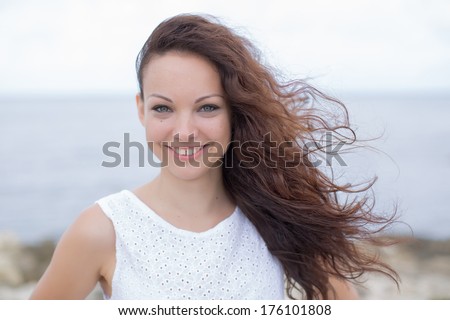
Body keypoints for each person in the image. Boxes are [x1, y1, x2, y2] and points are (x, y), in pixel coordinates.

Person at [30, 13, 397, 300]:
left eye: (206, 108)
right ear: (141, 109)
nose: (185, 131)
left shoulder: (277, 213)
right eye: (163, 108)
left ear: (235, 112)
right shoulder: (102, 230)